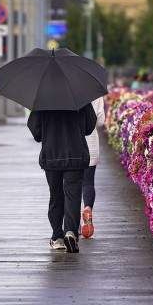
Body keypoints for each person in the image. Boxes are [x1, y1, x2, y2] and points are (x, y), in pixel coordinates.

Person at [27, 102, 97, 253]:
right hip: (76, 155)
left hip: (51, 155)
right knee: (73, 195)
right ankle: (71, 232)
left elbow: (36, 132)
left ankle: (57, 237)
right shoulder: (80, 96)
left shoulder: (42, 99)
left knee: (56, 195)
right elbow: (90, 126)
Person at [80, 97, 106, 239]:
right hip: (91, 143)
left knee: (72, 185)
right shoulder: (95, 92)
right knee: (88, 182)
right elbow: (100, 121)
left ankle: (73, 224)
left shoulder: (67, 89)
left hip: (73, 144)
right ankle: (87, 208)